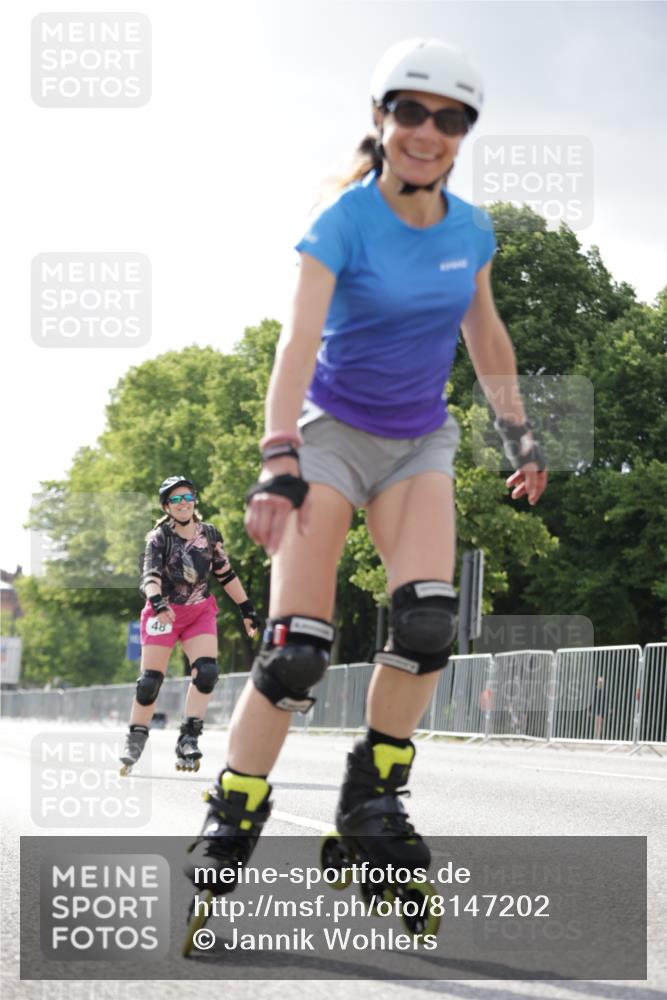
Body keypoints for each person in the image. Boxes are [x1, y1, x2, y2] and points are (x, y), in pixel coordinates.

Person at [187, 38, 547, 883]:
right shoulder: (341, 220)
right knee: (297, 649)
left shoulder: (471, 230)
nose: (428, 131)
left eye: (449, 118)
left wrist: (518, 433)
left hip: (419, 440)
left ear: (463, 133)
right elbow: (297, 339)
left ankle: (370, 800)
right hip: (331, 437)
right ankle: (233, 810)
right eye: (412, 111)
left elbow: (483, 332)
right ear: (381, 119)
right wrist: (278, 456)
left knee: (426, 625)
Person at [120, 476, 261, 774]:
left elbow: (225, 573)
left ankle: (188, 738)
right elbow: (150, 576)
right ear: (166, 506)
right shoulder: (159, 538)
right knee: (150, 682)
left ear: (195, 501)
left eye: (187, 498)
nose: (183, 504)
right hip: (164, 614)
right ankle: (136, 736)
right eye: (175, 500)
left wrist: (247, 608)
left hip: (199, 612)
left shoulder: (209, 534)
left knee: (207, 672)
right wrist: (157, 602)